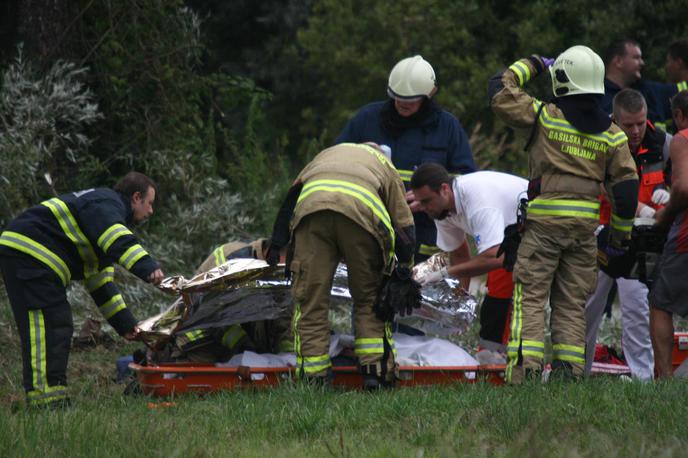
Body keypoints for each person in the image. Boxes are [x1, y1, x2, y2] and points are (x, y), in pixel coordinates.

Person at [490, 46, 639, 383]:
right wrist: (619, 237)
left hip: (543, 227)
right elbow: (627, 193)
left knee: (530, 296)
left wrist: (533, 64)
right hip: (583, 232)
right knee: (572, 303)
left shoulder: (544, 116)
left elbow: (500, 89)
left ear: (562, 79)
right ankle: (568, 373)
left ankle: (525, 372)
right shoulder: (613, 134)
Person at [0, 171, 164, 407]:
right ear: (136, 197)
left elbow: (101, 284)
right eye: (149, 203)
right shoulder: (106, 204)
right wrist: (148, 267)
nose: (151, 211)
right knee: (48, 324)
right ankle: (45, 402)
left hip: (31, 256)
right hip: (29, 254)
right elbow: (116, 237)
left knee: (56, 323)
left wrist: (126, 326)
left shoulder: (100, 218)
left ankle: (51, 398)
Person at [266, 142, 418, 388]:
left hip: (311, 213)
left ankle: (314, 377)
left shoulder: (325, 156)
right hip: (362, 216)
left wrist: (277, 242)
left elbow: (290, 198)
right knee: (370, 297)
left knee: (310, 299)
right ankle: (374, 372)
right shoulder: (383, 164)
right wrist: (405, 268)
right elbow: (403, 222)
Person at [336, 55, 476, 262]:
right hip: (370, 222)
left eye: (410, 99)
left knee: (419, 288)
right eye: (397, 97)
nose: (402, 103)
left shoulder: (446, 127)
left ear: (428, 95)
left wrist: (430, 194)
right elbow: (336, 160)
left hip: (426, 230)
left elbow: (466, 180)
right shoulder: (368, 119)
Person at [585, 89, 672, 380]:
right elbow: (606, 189)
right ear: (615, 119)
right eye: (629, 124)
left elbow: (679, 184)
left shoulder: (664, 145)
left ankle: (642, 378)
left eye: (640, 123)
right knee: (588, 306)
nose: (636, 131)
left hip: (644, 237)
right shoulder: (600, 141)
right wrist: (644, 209)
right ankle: (574, 372)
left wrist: (667, 198)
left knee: (636, 309)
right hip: (604, 232)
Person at [409, 163, 528, 364]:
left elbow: (494, 257)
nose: (424, 208)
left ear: (444, 189)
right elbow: (459, 252)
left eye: (427, 201)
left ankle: (517, 359)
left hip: (538, 232)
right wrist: (459, 299)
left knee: (513, 296)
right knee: (496, 297)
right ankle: (491, 355)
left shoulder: (477, 201)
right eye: (420, 202)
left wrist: (444, 273)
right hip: (511, 241)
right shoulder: (441, 209)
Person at [168, 238, 292, 363]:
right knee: (210, 379)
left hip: (233, 344)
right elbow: (214, 312)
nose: (286, 270)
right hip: (199, 339)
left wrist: (288, 355)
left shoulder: (275, 272)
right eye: (286, 262)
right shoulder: (232, 258)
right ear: (270, 253)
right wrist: (245, 346)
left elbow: (282, 314)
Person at [649, 90, 688, 378]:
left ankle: (664, 379)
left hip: (685, 236)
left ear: (678, 115)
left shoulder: (682, 138)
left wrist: (665, 215)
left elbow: (683, 188)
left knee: (660, 302)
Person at [602, 38, 688, 129]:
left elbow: (682, 92)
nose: (642, 63)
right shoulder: (598, 96)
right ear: (618, 61)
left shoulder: (650, 90)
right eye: (636, 58)